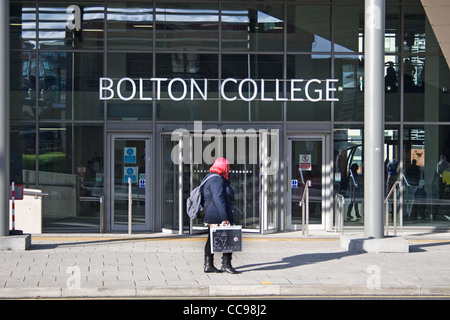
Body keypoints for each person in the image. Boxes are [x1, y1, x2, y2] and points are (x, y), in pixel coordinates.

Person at [202, 157, 238, 274]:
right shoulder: (217, 179)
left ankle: (209, 265)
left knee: (211, 239)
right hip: (218, 214)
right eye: (227, 167)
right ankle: (226, 264)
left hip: (212, 214)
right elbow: (219, 199)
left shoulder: (211, 177)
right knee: (230, 237)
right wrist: (225, 218)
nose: (229, 169)